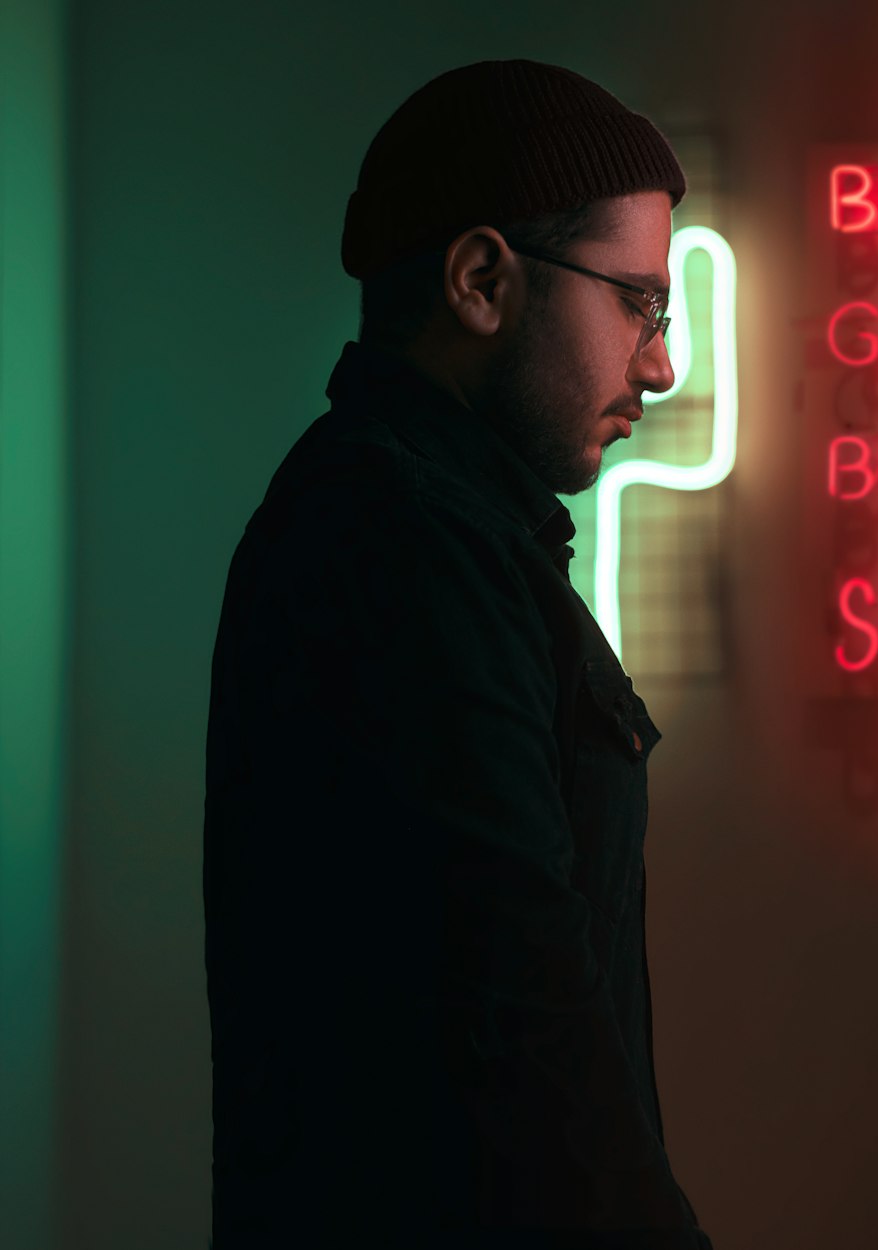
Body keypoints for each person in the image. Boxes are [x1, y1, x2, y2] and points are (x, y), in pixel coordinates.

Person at [203, 58, 713, 1249]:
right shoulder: (397, 548)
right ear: (482, 280)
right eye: (638, 303)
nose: (661, 364)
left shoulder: (430, 535)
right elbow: (524, 1042)